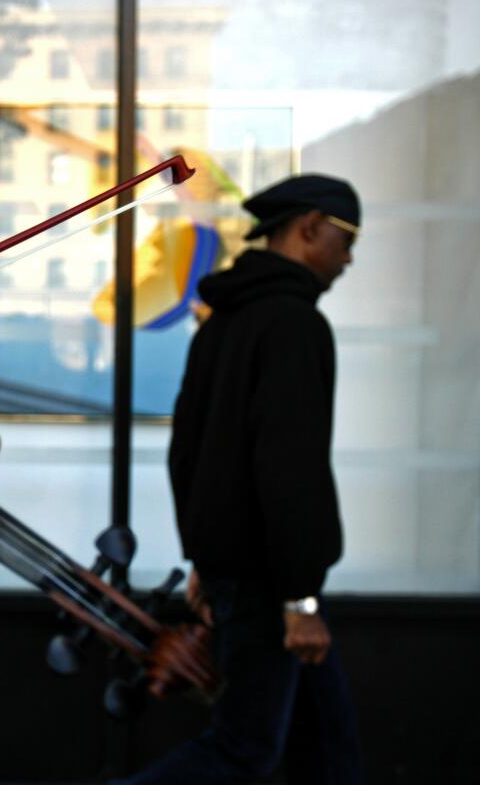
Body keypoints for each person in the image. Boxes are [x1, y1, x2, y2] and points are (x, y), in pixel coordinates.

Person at [120, 174, 364, 784]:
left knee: (327, 748)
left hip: (243, 574)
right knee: (244, 749)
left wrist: (204, 557)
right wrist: (300, 598)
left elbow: (189, 453)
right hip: (270, 584)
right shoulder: (296, 326)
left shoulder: (222, 324)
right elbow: (291, 468)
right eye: (348, 237)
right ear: (311, 228)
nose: (350, 257)